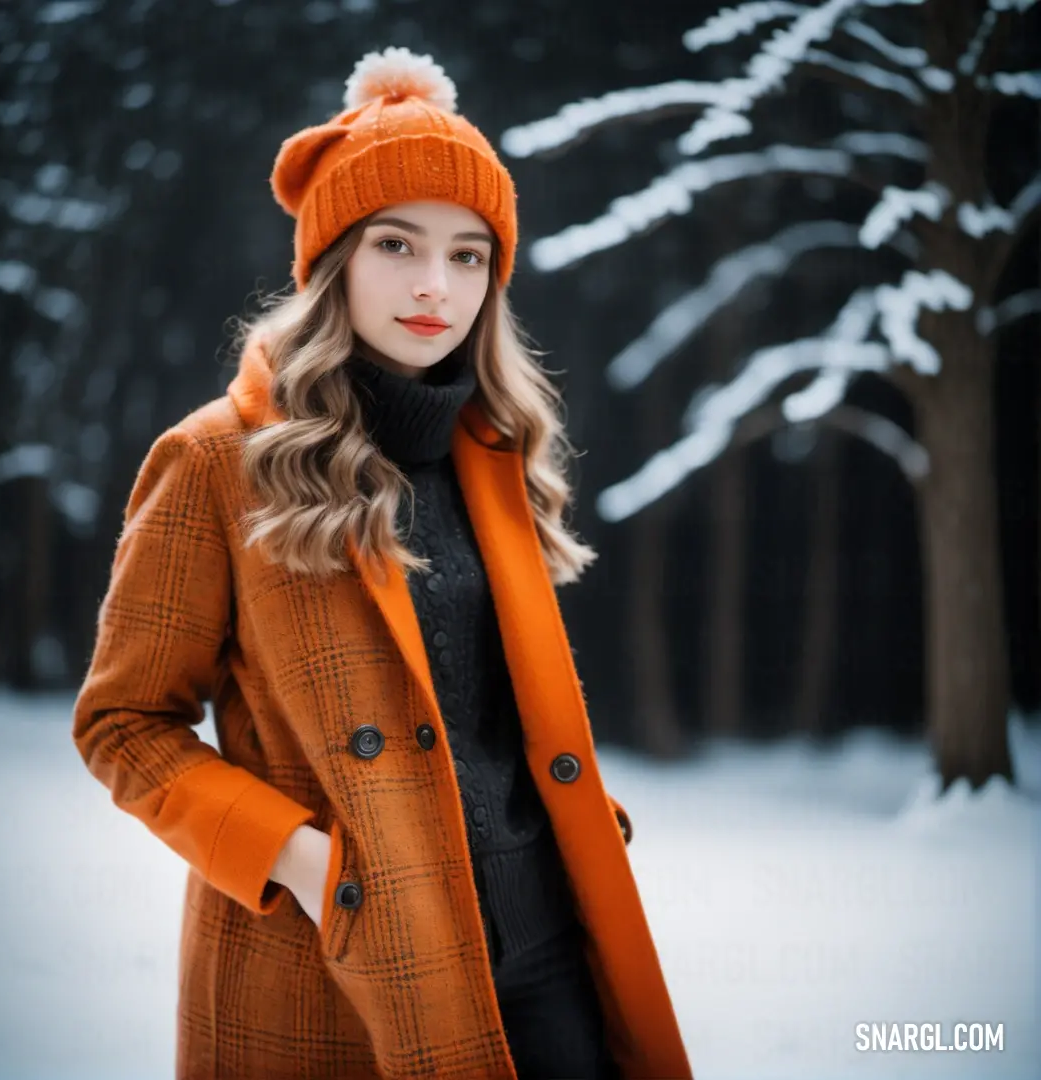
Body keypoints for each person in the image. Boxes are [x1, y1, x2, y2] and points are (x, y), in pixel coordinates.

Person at [73, 46, 693, 1080]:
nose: (432, 286)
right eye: (396, 244)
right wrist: (303, 863)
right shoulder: (215, 463)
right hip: (340, 960)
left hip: (547, 944)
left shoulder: (495, 453)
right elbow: (122, 725)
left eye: (467, 256)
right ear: (333, 262)